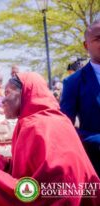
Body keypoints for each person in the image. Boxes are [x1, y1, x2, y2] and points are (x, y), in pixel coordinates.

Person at [0, 72, 100, 206]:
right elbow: (30, 167)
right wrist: (0, 163)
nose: (3, 100)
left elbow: (38, 192)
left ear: (25, 93)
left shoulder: (35, 126)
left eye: (7, 93)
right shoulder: (56, 119)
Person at [60, 19, 100, 176]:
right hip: (96, 164)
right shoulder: (73, 82)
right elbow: (65, 128)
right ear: (86, 45)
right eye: (98, 39)